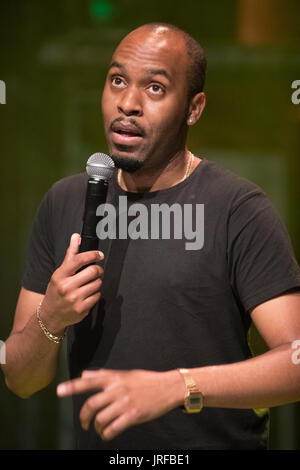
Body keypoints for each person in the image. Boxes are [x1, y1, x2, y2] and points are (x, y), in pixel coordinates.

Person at [2, 22, 300, 451]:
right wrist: (51, 315)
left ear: (193, 108)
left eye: (155, 88)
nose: (128, 103)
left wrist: (179, 387)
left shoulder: (236, 208)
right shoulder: (64, 202)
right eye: (117, 80)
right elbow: (20, 379)